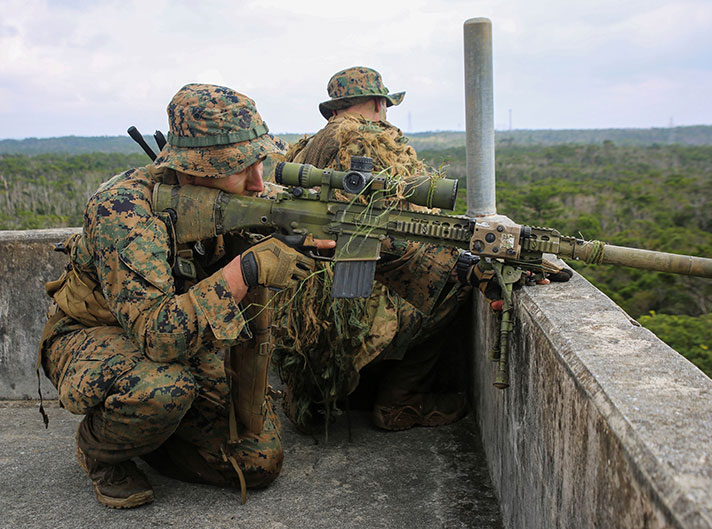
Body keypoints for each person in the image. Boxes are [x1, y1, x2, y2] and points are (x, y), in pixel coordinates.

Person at [38, 84, 321, 509]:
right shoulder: (124, 211)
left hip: (178, 331)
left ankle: (151, 434)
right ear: (193, 169)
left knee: (259, 462)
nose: (258, 182)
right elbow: (158, 337)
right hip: (96, 332)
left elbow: (288, 210)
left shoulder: (235, 194)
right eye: (240, 167)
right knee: (162, 389)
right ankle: (100, 451)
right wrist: (246, 269)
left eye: (260, 162)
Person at [275, 66, 476, 434]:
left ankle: (325, 391)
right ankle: (401, 400)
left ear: (333, 109)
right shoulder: (372, 142)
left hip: (301, 322)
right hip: (347, 320)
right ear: (379, 103)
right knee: (454, 281)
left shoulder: (305, 148)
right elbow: (409, 229)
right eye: (384, 104)